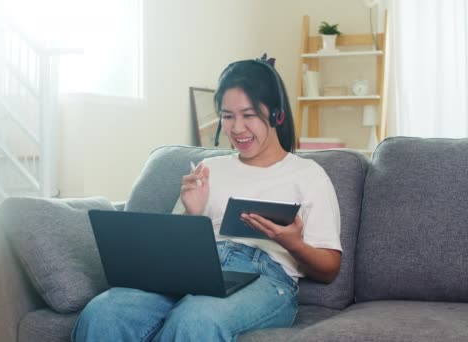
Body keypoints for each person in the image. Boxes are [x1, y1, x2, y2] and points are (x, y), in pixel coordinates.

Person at [72, 55, 342, 341]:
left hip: (266, 277)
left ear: (277, 115)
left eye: (249, 115)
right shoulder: (209, 169)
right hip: (193, 269)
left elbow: (329, 269)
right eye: (227, 116)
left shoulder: (308, 174)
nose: (237, 128)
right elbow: (171, 250)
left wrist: (293, 244)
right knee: (103, 311)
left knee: (196, 319)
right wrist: (193, 214)